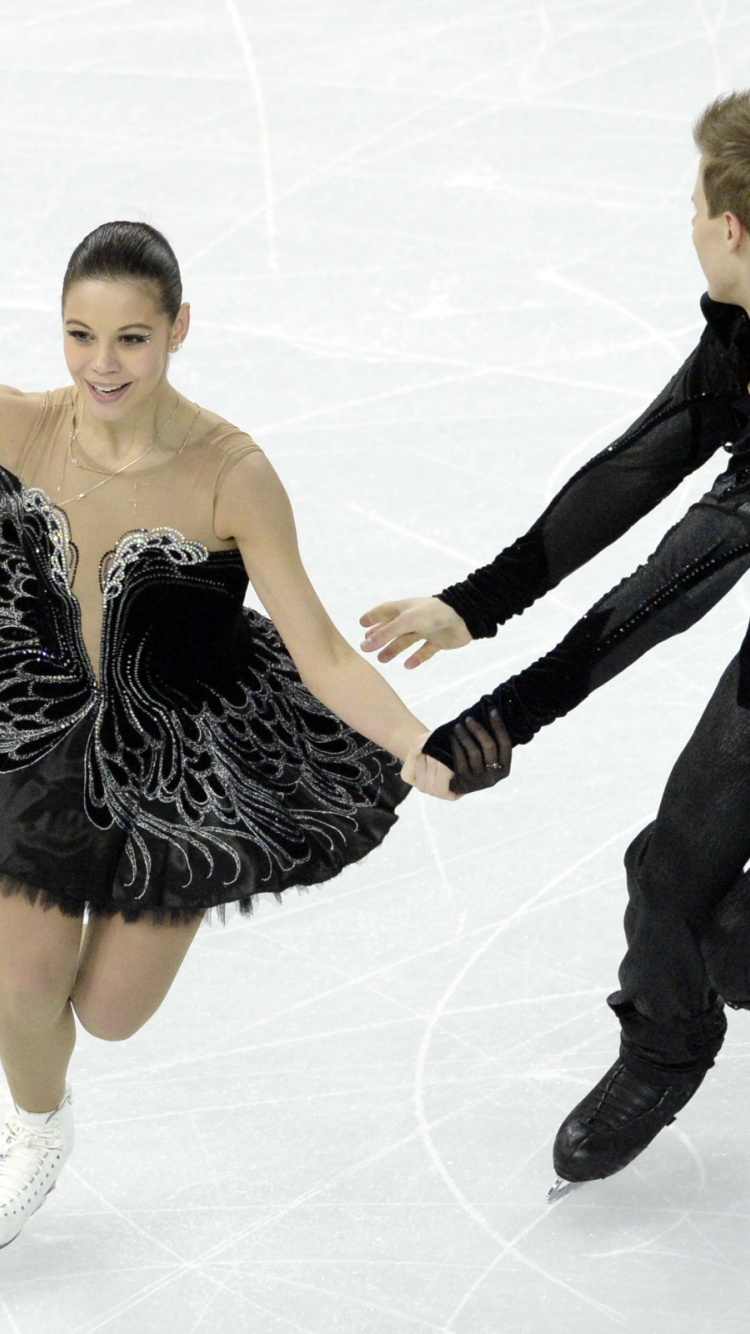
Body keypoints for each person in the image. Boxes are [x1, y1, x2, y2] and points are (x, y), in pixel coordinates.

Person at [0, 220, 458, 1249]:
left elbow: (328, 653)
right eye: (80, 335)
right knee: (23, 981)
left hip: (185, 748)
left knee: (110, 1013)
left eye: (130, 338)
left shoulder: (230, 471)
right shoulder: (19, 426)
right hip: (43, 727)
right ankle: (36, 1125)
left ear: (178, 330)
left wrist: (415, 740)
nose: (100, 364)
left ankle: (168, 884)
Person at [365, 90, 750, 1189]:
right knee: (672, 875)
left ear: (734, 230)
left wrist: (503, 717)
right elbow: (638, 469)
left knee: (736, 937)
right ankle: (667, 1047)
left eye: (694, 205)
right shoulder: (745, 339)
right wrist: (474, 602)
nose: (685, 220)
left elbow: (665, 592)